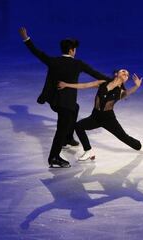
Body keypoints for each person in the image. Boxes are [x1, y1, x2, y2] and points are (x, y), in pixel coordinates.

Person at [19, 27, 110, 168]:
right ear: (71, 50)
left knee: (76, 108)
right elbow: (95, 74)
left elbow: (37, 53)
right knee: (61, 128)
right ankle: (54, 157)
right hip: (65, 104)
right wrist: (114, 81)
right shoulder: (77, 64)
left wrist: (26, 38)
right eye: (75, 49)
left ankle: (68, 138)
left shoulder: (54, 61)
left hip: (55, 101)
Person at [58, 69, 143, 161]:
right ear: (116, 74)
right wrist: (67, 84)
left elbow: (128, 92)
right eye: (123, 71)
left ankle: (141, 147)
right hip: (95, 117)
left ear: (125, 79)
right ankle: (88, 151)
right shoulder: (103, 83)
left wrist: (136, 86)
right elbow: (85, 85)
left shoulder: (120, 92)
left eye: (127, 74)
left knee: (124, 137)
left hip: (109, 119)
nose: (125, 73)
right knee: (78, 126)